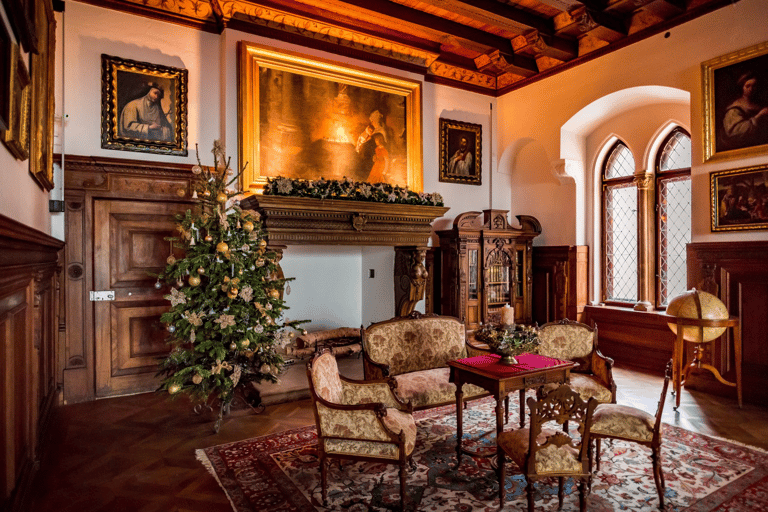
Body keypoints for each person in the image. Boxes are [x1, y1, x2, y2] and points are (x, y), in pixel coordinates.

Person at [720, 71, 768, 151]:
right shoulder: (735, 109)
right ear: (742, 87)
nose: (751, 89)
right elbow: (734, 132)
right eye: (748, 86)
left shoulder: (760, 104)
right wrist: (759, 116)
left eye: (754, 86)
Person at [355, 110, 393, 179]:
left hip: (374, 153)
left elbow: (381, 143)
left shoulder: (381, 130)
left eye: (373, 121)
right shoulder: (372, 129)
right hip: (369, 153)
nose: (372, 122)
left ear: (376, 121)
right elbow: (365, 138)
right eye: (372, 121)